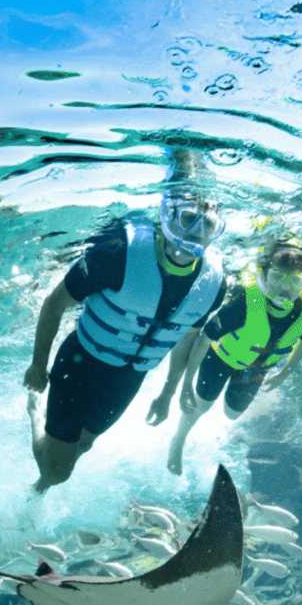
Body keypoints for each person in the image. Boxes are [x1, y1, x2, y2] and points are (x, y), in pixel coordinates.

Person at [23, 187, 227, 491]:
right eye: (187, 219)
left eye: (208, 225)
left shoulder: (214, 285)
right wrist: (38, 365)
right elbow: (55, 303)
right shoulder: (117, 252)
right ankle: (36, 418)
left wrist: (167, 393)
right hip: (80, 363)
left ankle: (49, 470)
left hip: (129, 378)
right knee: (58, 474)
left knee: (84, 445)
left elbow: (185, 337)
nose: (196, 232)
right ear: (168, 216)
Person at [166, 238, 302, 476]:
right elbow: (204, 339)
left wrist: (285, 372)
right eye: (277, 277)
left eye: (295, 281)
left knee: (231, 414)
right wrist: (186, 383)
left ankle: (217, 415)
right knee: (201, 405)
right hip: (220, 359)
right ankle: (178, 440)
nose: (285, 289)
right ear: (266, 275)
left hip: (255, 369)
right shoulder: (246, 303)